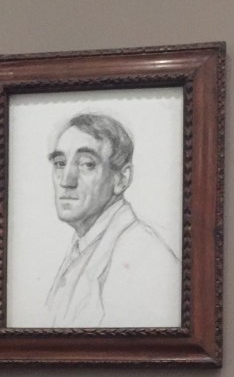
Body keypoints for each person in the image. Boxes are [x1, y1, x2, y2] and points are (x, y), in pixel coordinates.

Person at [44, 113, 181, 328]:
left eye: (87, 164)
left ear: (122, 179)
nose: (66, 180)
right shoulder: (82, 245)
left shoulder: (145, 260)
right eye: (60, 163)